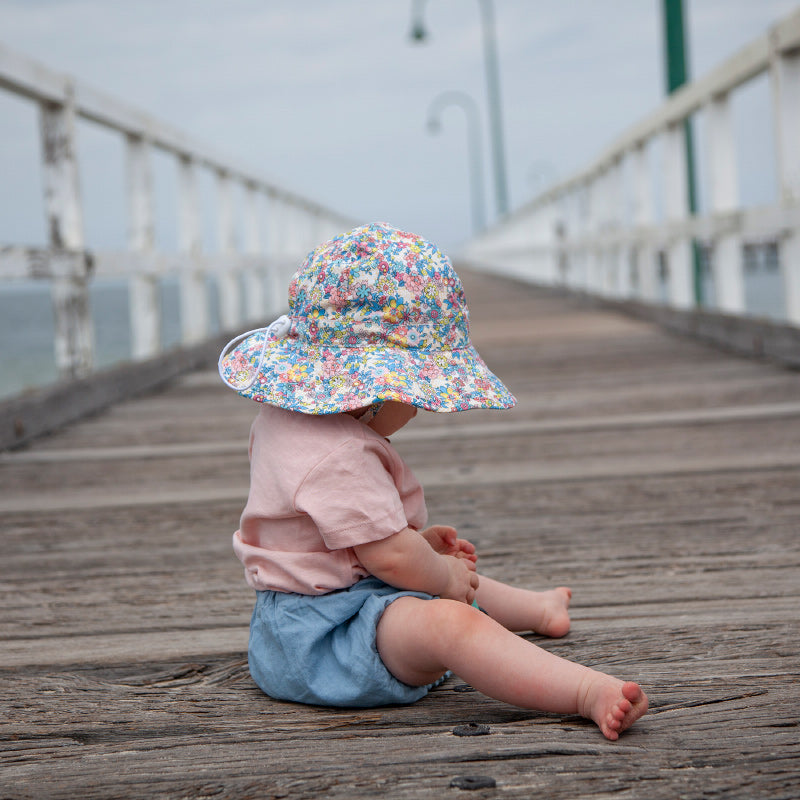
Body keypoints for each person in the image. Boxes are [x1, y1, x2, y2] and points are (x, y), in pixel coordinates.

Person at [218, 222, 648, 741]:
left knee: (451, 571)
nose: (419, 410)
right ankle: (584, 692)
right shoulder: (338, 454)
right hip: (327, 643)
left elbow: (322, 537)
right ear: (375, 385)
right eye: (416, 395)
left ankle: (538, 608)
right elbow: (391, 559)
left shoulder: (281, 420)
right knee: (451, 616)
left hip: (291, 623)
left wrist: (420, 550)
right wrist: (435, 574)